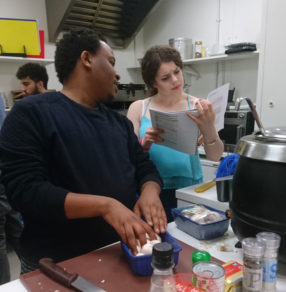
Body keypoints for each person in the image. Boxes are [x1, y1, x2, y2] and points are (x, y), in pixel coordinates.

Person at [0, 29, 167, 274]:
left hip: (116, 254)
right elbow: (25, 191)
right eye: (111, 62)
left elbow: (145, 167)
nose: (117, 72)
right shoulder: (31, 113)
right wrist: (106, 206)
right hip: (55, 266)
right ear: (87, 59)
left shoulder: (118, 123)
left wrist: (150, 192)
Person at [127, 45, 224, 222]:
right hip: (150, 190)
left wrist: (209, 127)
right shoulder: (138, 107)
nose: (175, 80)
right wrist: (144, 144)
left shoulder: (199, 106)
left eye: (177, 72)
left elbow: (215, 156)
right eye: (165, 77)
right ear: (154, 83)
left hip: (188, 190)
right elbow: (127, 156)